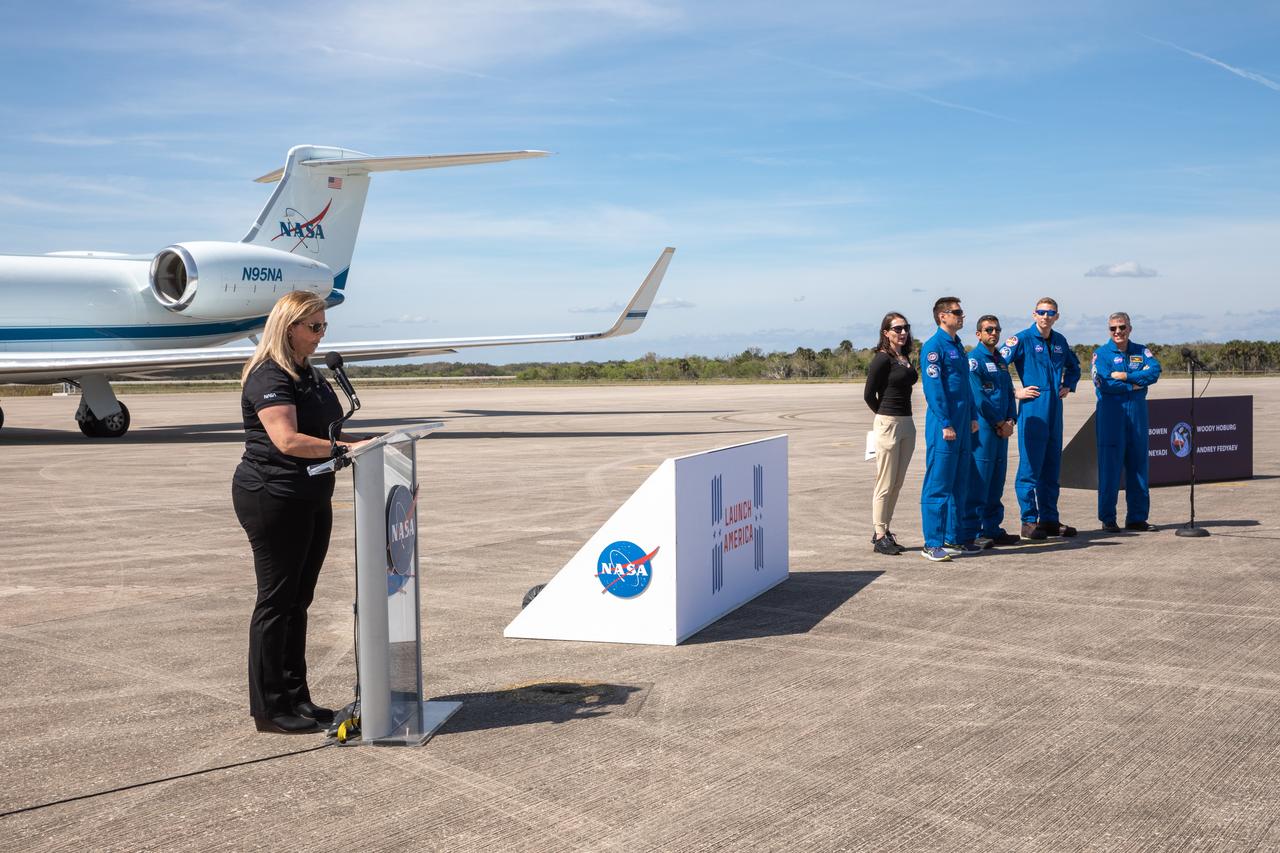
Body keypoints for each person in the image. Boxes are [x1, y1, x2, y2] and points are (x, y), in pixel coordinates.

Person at [232, 291, 371, 734]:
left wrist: (368, 446)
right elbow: (288, 440)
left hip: (311, 491)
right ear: (289, 327)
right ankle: (270, 709)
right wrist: (349, 449)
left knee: (299, 600)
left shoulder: (307, 373)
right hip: (273, 493)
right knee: (276, 602)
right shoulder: (268, 374)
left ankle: (298, 697)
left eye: (324, 327)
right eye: (314, 327)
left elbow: (323, 431)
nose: (321, 334)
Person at [1000, 297, 1081, 540]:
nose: (1045, 316)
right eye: (1041, 312)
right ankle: (1028, 521)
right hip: (1033, 408)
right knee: (1030, 468)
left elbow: (1074, 366)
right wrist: (1015, 392)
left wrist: (1069, 384)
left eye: (1050, 313)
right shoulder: (1021, 339)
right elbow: (996, 365)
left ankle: (1049, 519)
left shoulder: (1059, 341)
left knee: (1051, 468)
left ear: (1057, 316)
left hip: (1055, 410)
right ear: (1034, 314)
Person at [919, 297, 979, 562]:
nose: (961, 316)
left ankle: (952, 538)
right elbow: (934, 389)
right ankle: (932, 543)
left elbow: (965, 387)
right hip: (945, 426)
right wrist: (945, 422)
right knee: (939, 485)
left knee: (959, 484)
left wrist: (973, 416)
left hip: (963, 424)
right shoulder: (934, 347)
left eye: (961, 312)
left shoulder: (957, 346)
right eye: (956, 312)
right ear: (942, 316)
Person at [1092, 312, 1162, 531]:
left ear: (1129, 328)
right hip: (1111, 416)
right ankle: (1107, 518)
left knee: (1139, 466)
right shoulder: (1101, 354)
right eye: (1113, 328)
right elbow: (1104, 383)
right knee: (1110, 468)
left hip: (1137, 415)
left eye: (1122, 327)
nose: (1118, 332)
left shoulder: (1141, 351)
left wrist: (1126, 377)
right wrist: (1134, 384)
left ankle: (1137, 518)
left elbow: (1154, 372)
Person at [962, 316, 1022, 548]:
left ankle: (992, 528)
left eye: (997, 329)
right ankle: (972, 531)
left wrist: (1010, 419)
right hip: (986, 429)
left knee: (997, 481)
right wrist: (999, 422)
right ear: (978, 334)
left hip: (1002, 429)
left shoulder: (1000, 361)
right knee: (980, 480)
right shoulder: (974, 361)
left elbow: (1008, 391)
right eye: (988, 329)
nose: (993, 333)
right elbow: (979, 398)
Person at [863, 312, 918, 555]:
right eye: (897, 329)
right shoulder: (882, 359)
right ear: (886, 333)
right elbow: (868, 394)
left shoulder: (904, 356)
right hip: (888, 422)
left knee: (897, 482)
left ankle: (886, 529)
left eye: (905, 328)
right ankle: (879, 534)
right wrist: (883, 416)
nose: (903, 332)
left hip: (907, 422)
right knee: (884, 482)